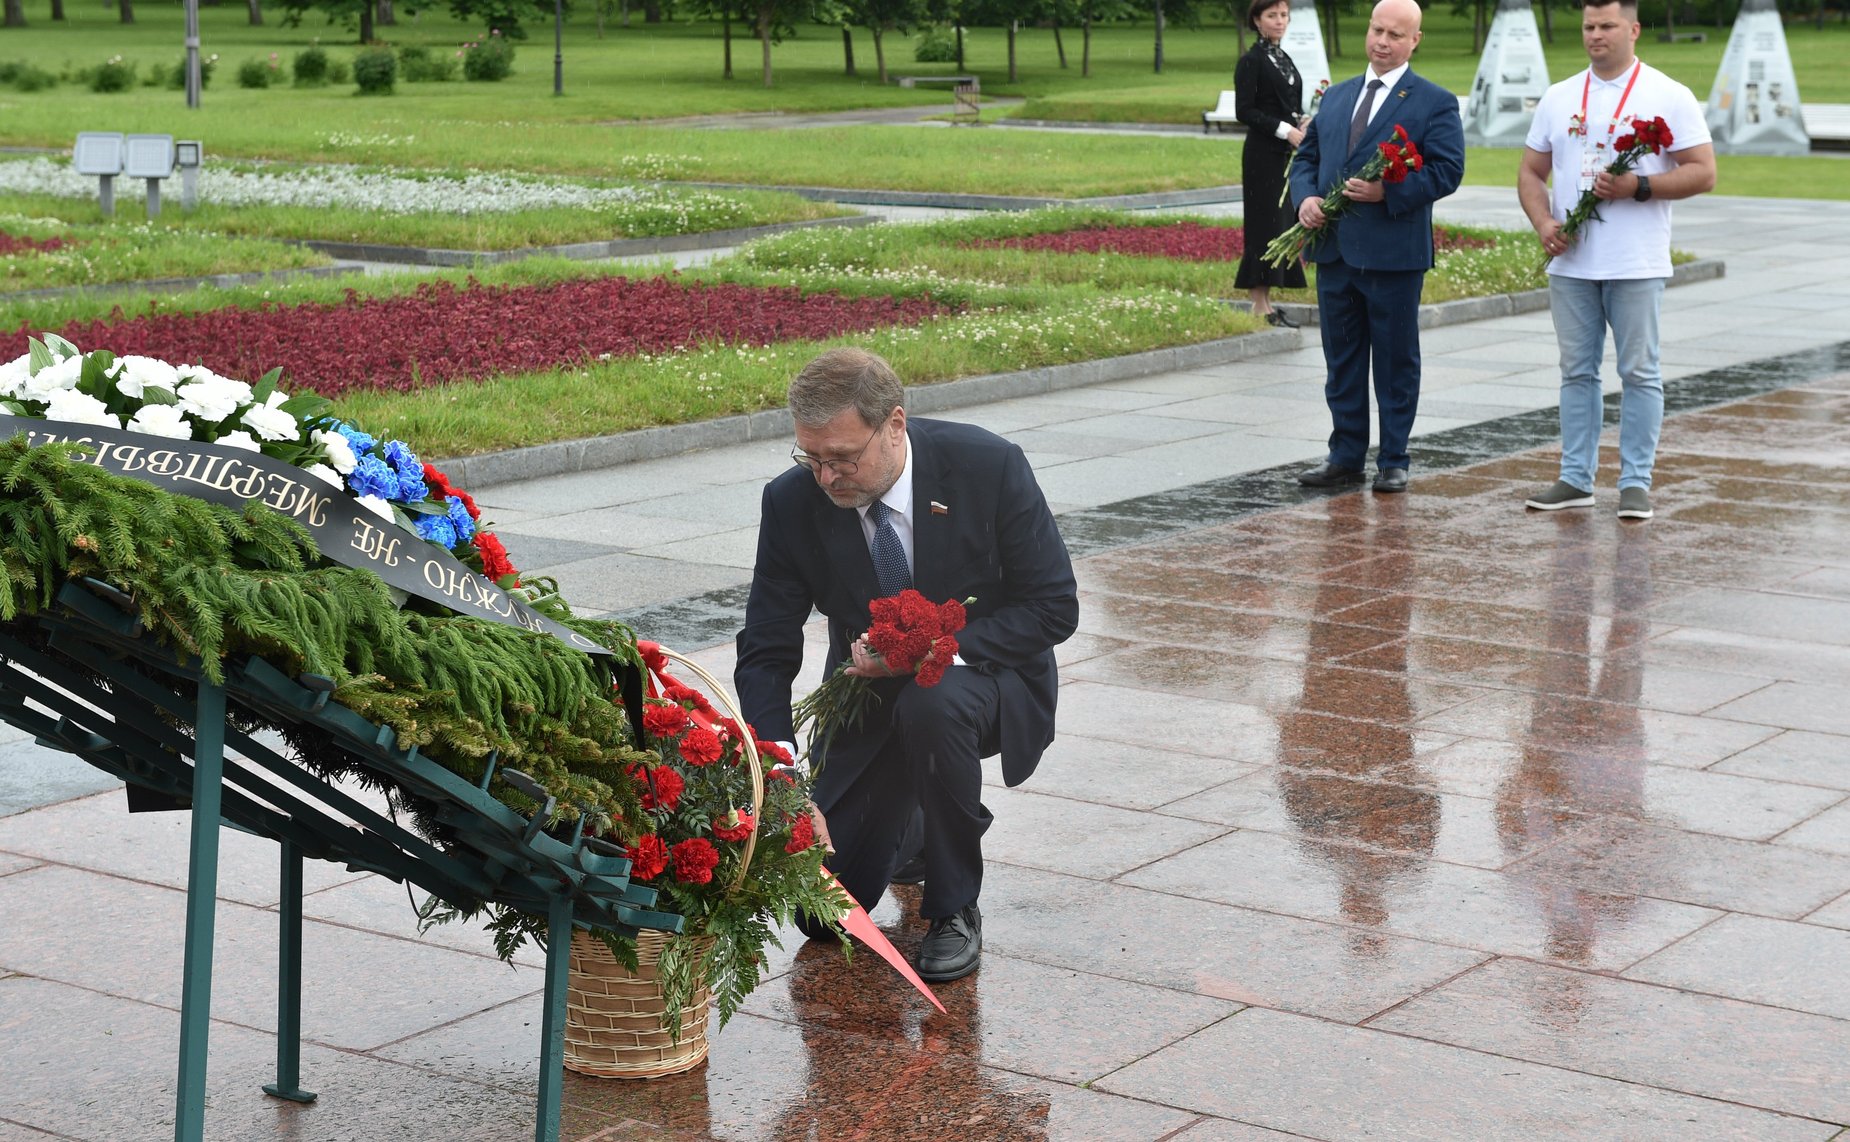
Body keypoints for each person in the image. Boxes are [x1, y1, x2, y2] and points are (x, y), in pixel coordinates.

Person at [734, 347, 1078, 983]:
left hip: (986, 675)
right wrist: (777, 772)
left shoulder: (987, 466)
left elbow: (1053, 608)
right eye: (811, 458)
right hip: (867, 693)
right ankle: (915, 828)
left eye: (843, 458)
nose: (827, 478)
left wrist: (935, 649)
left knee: (933, 701)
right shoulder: (790, 503)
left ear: (895, 425)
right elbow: (765, 644)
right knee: (826, 915)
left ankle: (954, 906)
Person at [1518, 0, 1715, 520]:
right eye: (1588, 26)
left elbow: (1703, 172)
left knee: (1640, 372)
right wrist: (1543, 223)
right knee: (1576, 373)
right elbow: (1531, 172)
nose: (1595, 35)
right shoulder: (1560, 97)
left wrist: (1640, 186)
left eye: (1607, 26)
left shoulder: (1669, 94)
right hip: (1572, 264)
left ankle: (1635, 483)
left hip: (1636, 261)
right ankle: (1575, 478)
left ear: (1634, 29)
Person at [1287, 0, 1465, 495]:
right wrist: (1305, 199)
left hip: (1392, 255)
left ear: (1415, 41)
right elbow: (1308, 158)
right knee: (1341, 360)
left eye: (1395, 34)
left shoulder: (1434, 101)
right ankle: (1345, 457)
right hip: (1335, 251)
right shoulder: (1339, 96)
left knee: (1394, 360)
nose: (1382, 41)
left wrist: (1390, 191)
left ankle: (1393, 458)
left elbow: (1447, 170)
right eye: (1376, 30)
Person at [1234, 0, 1309, 328]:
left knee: (1280, 224)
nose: (1280, 22)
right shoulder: (1251, 61)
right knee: (1263, 225)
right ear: (1256, 20)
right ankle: (1259, 304)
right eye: (1272, 16)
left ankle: (1267, 302)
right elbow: (1245, 111)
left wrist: (1302, 120)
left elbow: (1285, 102)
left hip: (1283, 155)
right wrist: (1285, 130)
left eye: (1283, 15)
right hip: (1263, 156)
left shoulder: (1282, 58)